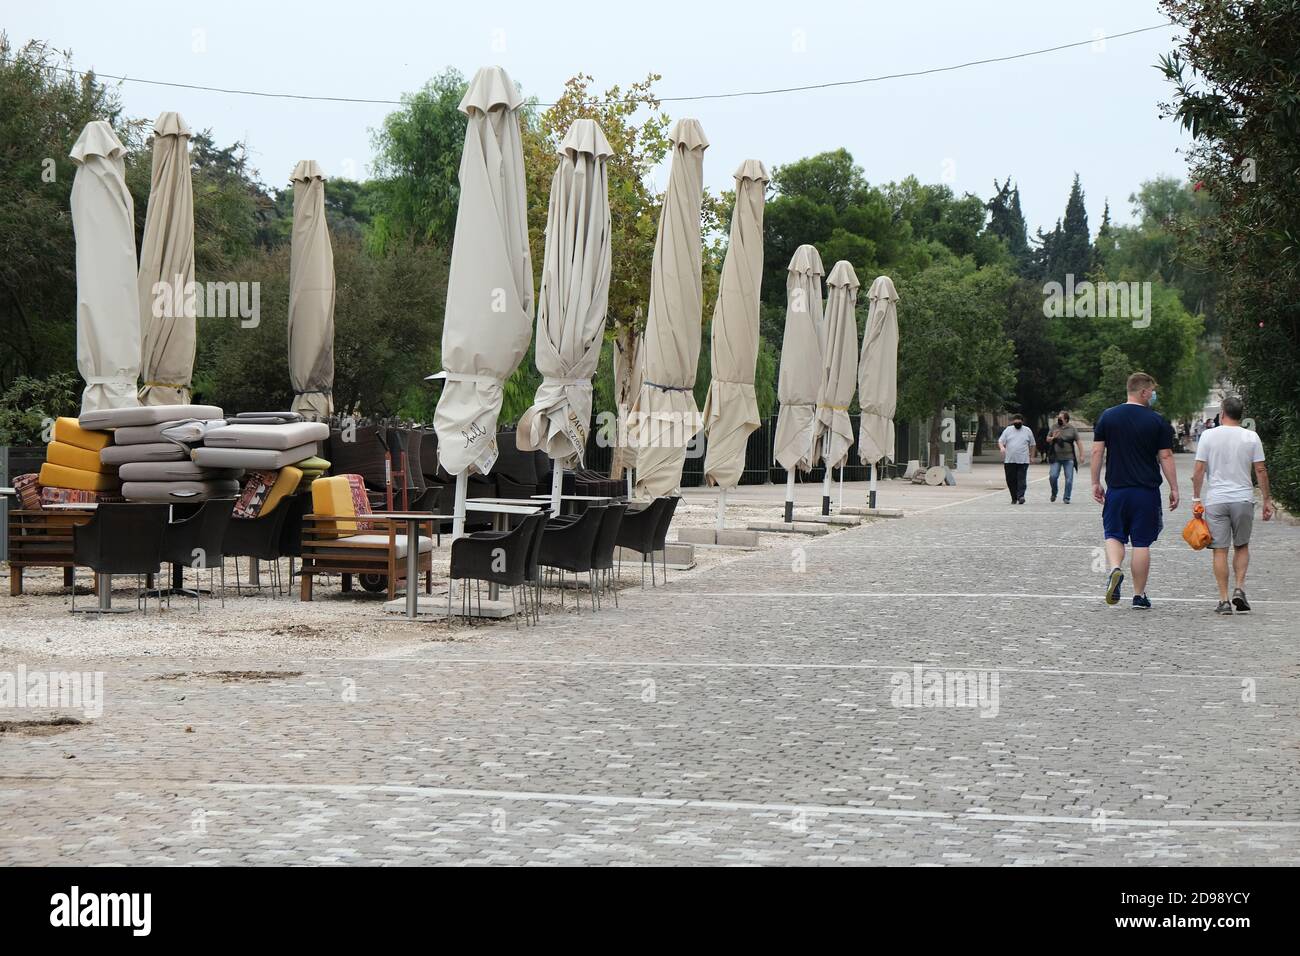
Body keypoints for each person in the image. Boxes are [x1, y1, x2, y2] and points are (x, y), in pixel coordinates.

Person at [1090, 371, 1179, 609]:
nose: (1153, 395)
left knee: (1113, 534)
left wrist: (1095, 482)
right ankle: (1139, 595)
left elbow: (1097, 452)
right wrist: (1174, 487)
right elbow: (1166, 456)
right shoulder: (1157, 421)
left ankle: (1115, 569)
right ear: (1143, 392)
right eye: (1152, 391)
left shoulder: (1107, 417)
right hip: (1145, 491)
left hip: (1117, 490)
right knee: (1141, 543)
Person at [1191, 395, 1274, 614]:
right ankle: (1239, 588)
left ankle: (1224, 600)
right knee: (1242, 545)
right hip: (1243, 498)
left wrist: (1196, 498)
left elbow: (1199, 470)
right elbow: (1260, 470)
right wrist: (1267, 499)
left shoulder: (1208, 436)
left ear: (1222, 413)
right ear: (1241, 415)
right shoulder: (1251, 437)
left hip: (1217, 499)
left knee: (1219, 550)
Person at [1046, 411, 1085, 503]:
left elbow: (1078, 441)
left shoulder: (1072, 429)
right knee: (1053, 476)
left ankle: (1067, 497)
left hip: (1069, 457)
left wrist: (1081, 455)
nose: (1058, 419)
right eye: (1058, 417)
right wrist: (1053, 437)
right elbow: (1047, 439)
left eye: (1061, 418)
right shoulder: (1054, 427)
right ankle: (1054, 492)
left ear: (1066, 419)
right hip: (1056, 457)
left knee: (1069, 479)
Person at [998, 414, 1035, 504]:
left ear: (1022, 422)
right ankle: (1014, 497)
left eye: (1019, 421)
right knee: (1010, 479)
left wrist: (1032, 456)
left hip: (1023, 460)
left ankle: (1021, 496)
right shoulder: (1008, 430)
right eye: (1015, 421)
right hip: (1010, 460)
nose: (1017, 423)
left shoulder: (1027, 430)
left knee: (1021, 478)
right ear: (1013, 422)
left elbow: (1033, 444)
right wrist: (1002, 447)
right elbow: (1000, 441)